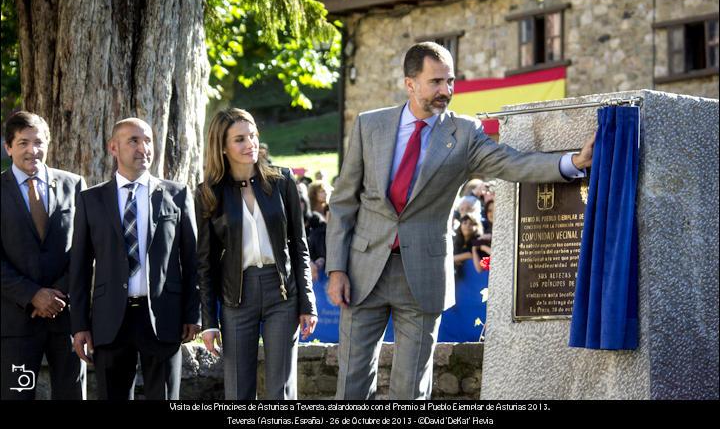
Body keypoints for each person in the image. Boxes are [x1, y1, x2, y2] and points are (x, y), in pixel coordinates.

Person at [326, 41, 594, 399]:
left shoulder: (464, 133)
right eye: (436, 81)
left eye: (450, 81)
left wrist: (571, 163)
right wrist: (336, 270)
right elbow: (343, 202)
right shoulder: (369, 125)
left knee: (410, 389)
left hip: (422, 277)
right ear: (410, 83)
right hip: (363, 271)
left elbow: (510, 163)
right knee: (352, 383)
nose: (446, 91)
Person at [69, 118, 200, 400]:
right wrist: (79, 325)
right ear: (113, 147)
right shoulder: (90, 200)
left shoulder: (177, 195)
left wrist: (192, 313)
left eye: (148, 141)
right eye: (134, 141)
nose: (143, 148)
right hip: (109, 321)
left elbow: (192, 261)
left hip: (163, 318)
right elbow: (78, 268)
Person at [196, 108, 318, 400]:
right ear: (222, 147)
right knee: (238, 391)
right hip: (236, 297)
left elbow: (299, 245)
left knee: (282, 390)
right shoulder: (209, 193)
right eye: (239, 139)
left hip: (282, 294)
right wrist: (209, 321)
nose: (250, 143)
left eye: (252, 135)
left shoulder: (282, 181)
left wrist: (308, 301)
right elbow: (205, 264)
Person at [1, 111, 87, 400]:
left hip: (67, 319)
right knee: (18, 395)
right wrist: (33, 295)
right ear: (8, 147)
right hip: (16, 323)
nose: (32, 150)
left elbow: (84, 248)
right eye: (23, 142)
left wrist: (58, 293)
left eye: (38, 142)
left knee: (71, 395)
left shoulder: (74, 184)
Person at [453, 214, 483, 279]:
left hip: (476, 278)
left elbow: (471, 254)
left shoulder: (479, 239)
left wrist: (454, 258)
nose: (467, 226)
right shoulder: (457, 240)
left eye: (471, 224)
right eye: (465, 223)